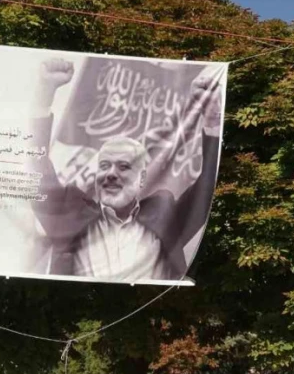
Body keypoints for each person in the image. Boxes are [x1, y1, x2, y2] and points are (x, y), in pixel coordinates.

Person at [30, 59, 222, 280]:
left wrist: (212, 121)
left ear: (141, 179)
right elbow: (36, 168)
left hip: (146, 309)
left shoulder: (164, 215)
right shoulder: (70, 211)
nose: (111, 173)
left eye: (124, 167)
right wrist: (43, 96)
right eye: (104, 165)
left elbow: (206, 189)